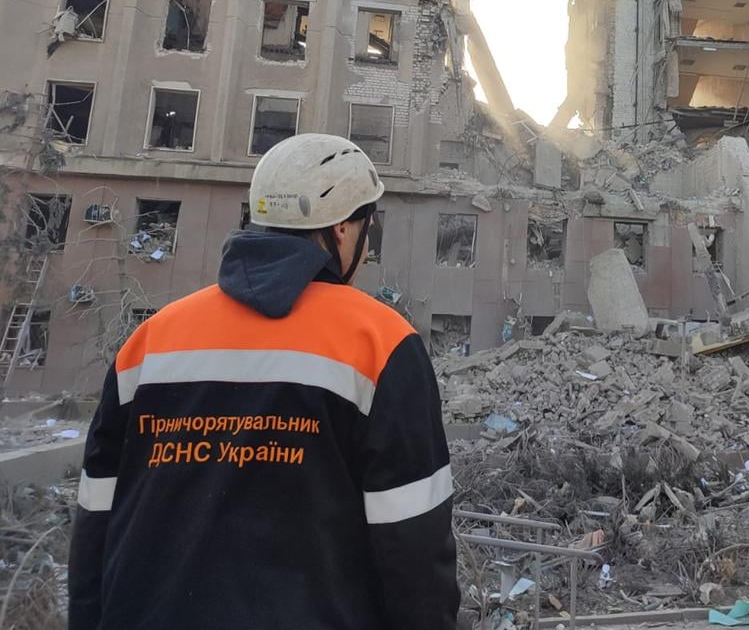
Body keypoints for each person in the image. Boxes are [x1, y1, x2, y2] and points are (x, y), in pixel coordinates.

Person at [68, 133, 459, 630]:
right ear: (344, 228)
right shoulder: (381, 344)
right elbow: (414, 549)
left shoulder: (151, 340)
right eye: (369, 228)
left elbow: (95, 523)